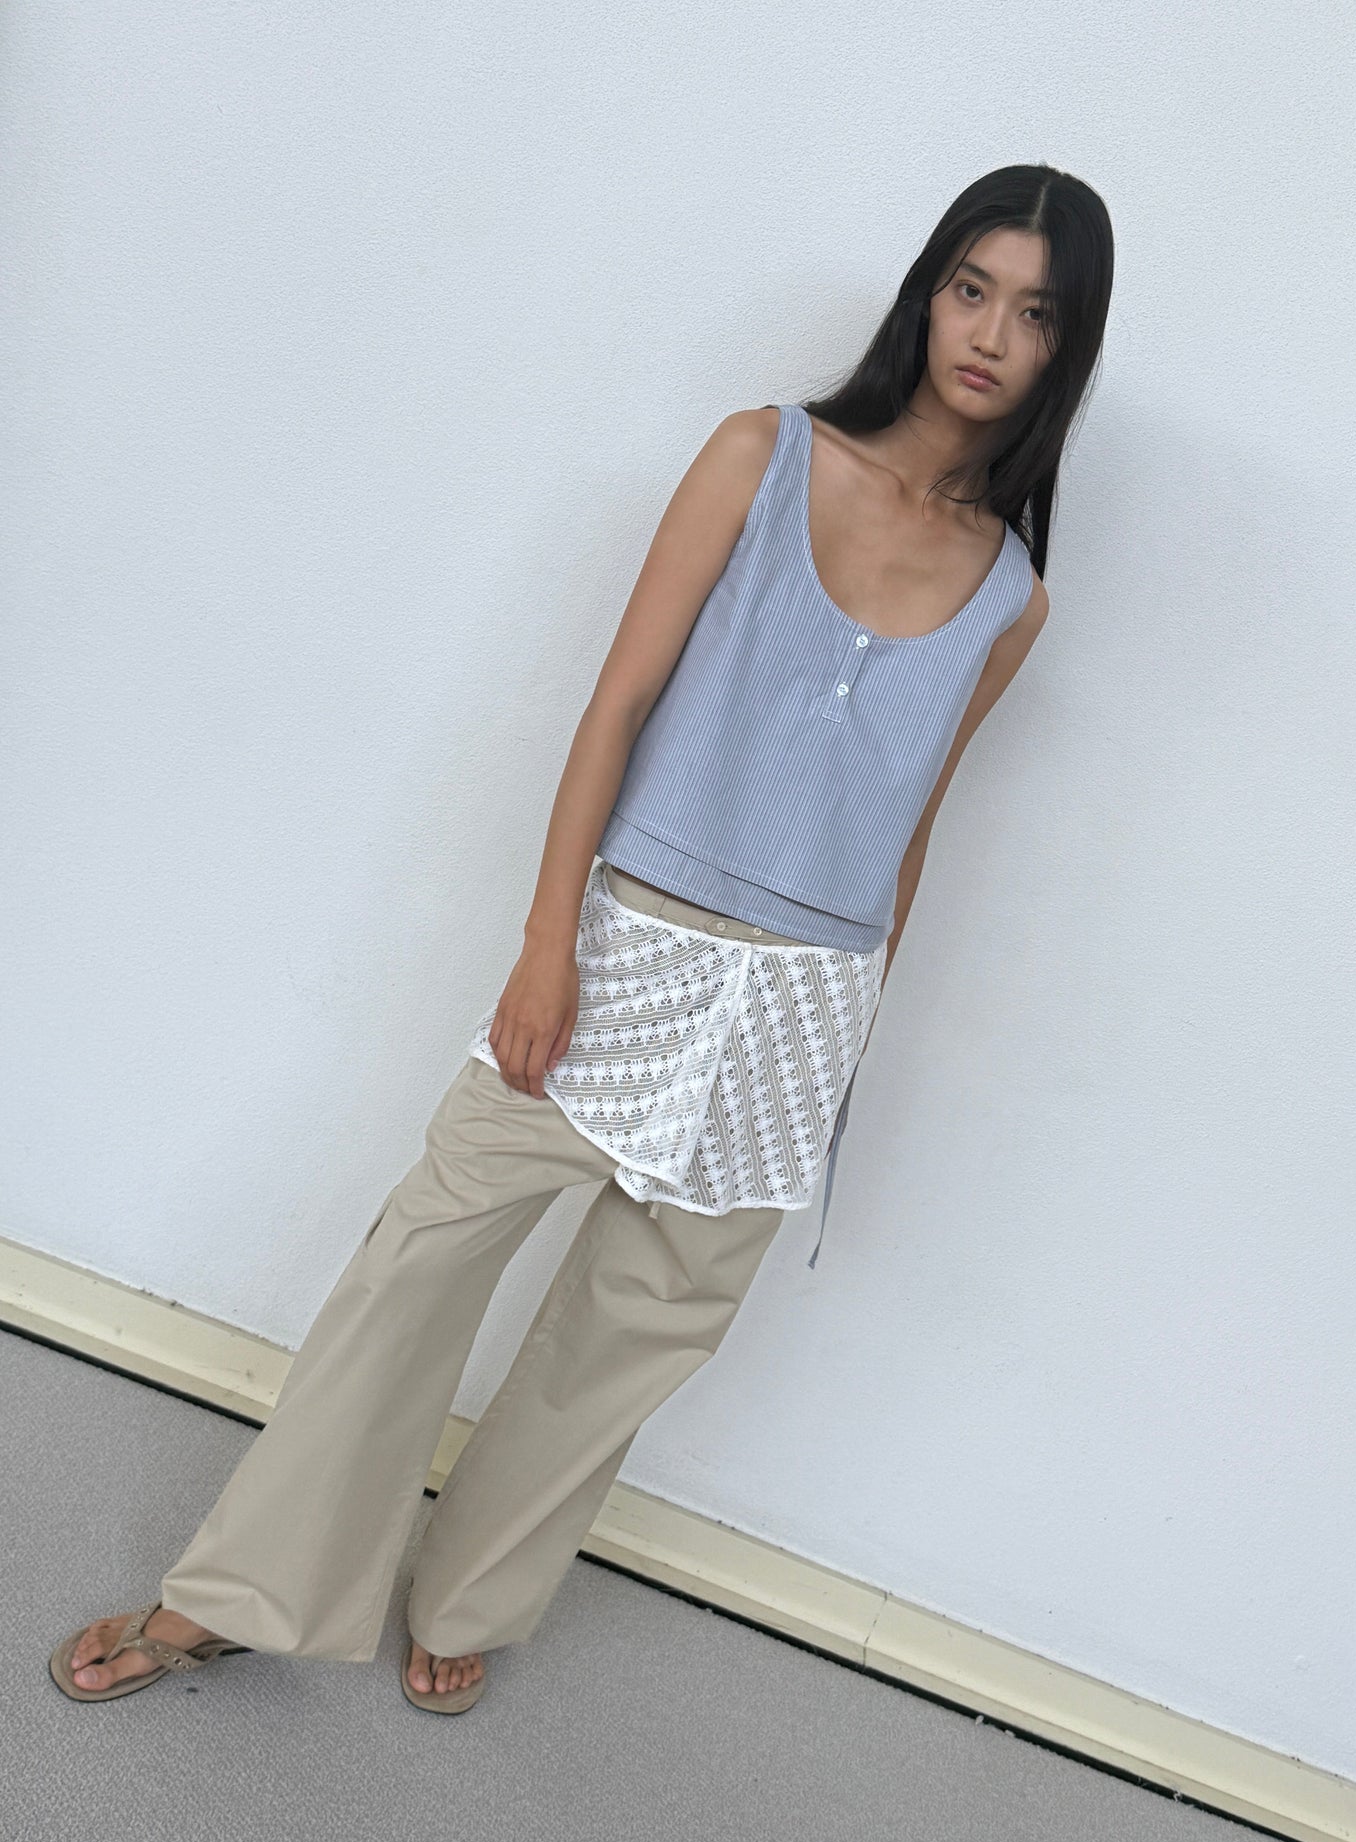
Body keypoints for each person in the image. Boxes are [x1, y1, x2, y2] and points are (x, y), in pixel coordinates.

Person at [51, 163, 1114, 1713]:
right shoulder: (761, 456)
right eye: (971, 288)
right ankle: (238, 1592)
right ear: (926, 292)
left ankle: (471, 1592)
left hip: (800, 1009)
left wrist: (845, 1046)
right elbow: (618, 702)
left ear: (1062, 351)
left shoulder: (1011, 596)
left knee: (631, 1335)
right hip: (629, 947)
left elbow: (910, 826)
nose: (990, 334)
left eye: (1034, 314)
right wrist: (547, 940)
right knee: (417, 1267)